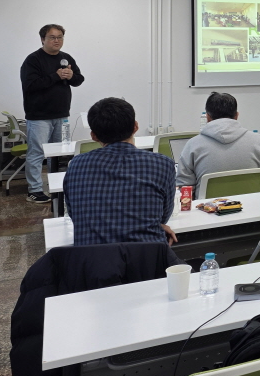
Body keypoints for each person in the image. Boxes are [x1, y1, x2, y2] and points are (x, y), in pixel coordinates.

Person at [64, 98, 177, 247]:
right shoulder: (163, 164)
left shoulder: (76, 165)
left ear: (93, 136)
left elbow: (75, 214)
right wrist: (155, 226)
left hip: (92, 258)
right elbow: (163, 215)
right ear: (135, 127)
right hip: (148, 256)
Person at [20, 24, 84, 204]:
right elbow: (30, 85)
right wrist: (56, 76)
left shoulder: (66, 58)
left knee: (60, 153)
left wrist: (71, 76)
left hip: (62, 115)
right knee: (37, 153)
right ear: (43, 39)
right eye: (52, 37)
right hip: (39, 116)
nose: (57, 40)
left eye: (60, 37)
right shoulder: (33, 60)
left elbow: (79, 80)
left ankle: (57, 186)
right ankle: (34, 190)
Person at [176, 92, 260, 188]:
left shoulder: (193, 145)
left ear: (207, 117)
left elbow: (184, 185)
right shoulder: (257, 140)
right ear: (236, 116)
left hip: (208, 201)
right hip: (252, 199)